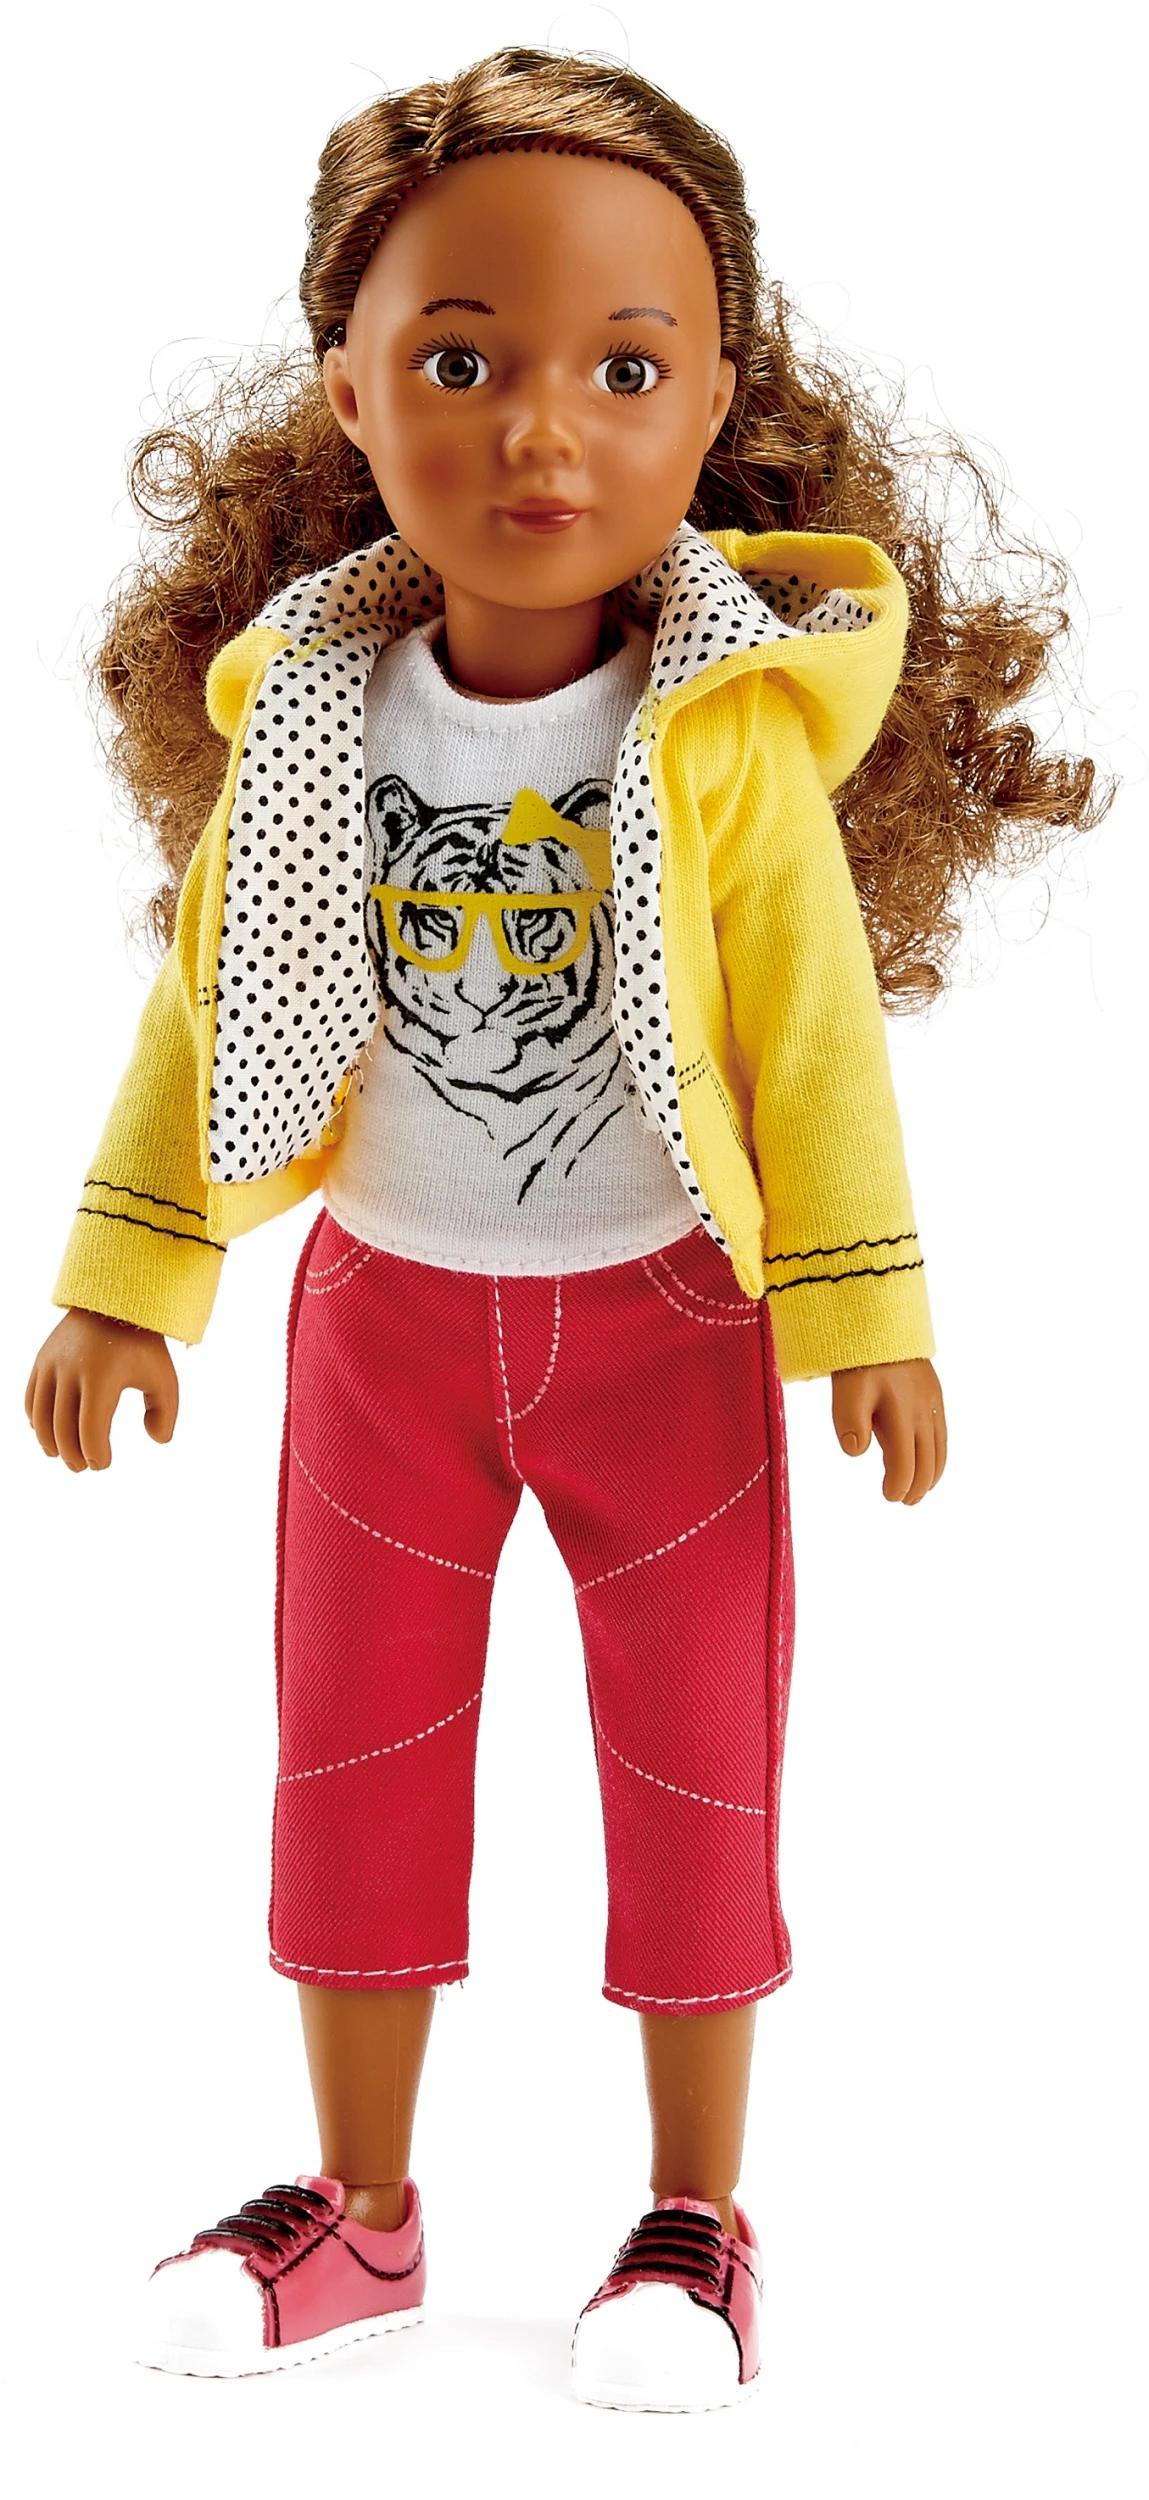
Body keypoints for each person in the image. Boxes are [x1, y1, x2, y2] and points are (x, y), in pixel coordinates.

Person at [24, 48, 1104, 2410]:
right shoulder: (313, 712)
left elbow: (811, 1041)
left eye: (624, 370)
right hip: (382, 1325)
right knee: (352, 1751)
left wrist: (866, 1313)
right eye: (458, 362)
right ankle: (363, 2208)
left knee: (696, 1762)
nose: (541, 433)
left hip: (665, 1320)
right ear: (346, 387)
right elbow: (216, 1005)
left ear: (717, 397)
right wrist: (130, 1272)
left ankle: (696, 2215)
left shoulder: (724, 734)